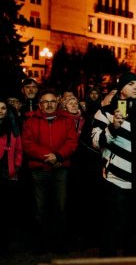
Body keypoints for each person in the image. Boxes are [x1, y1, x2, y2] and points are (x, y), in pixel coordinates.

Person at [91, 72, 136, 257]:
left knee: (134, 230)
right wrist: (113, 127)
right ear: (121, 88)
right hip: (115, 182)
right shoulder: (105, 112)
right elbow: (96, 142)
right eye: (131, 84)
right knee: (112, 229)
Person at [22, 89, 79, 253]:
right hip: (39, 170)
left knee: (60, 208)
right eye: (45, 101)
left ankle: (59, 244)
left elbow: (72, 142)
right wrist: (48, 157)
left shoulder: (67, 120)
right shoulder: (31, 121)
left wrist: (59, 156)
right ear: (40, 104)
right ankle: (42, 243)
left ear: (57, 103)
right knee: (41, 209)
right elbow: (28, 144)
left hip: (60, 170)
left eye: (52, 101)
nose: (49, 104)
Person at [0, 98, 23, 256]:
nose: (0, 110)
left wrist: (16, 167)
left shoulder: (13, 128)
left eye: (2, 108)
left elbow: (19, 150)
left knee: (6, 212)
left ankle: (5, 246)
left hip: (7, 174)